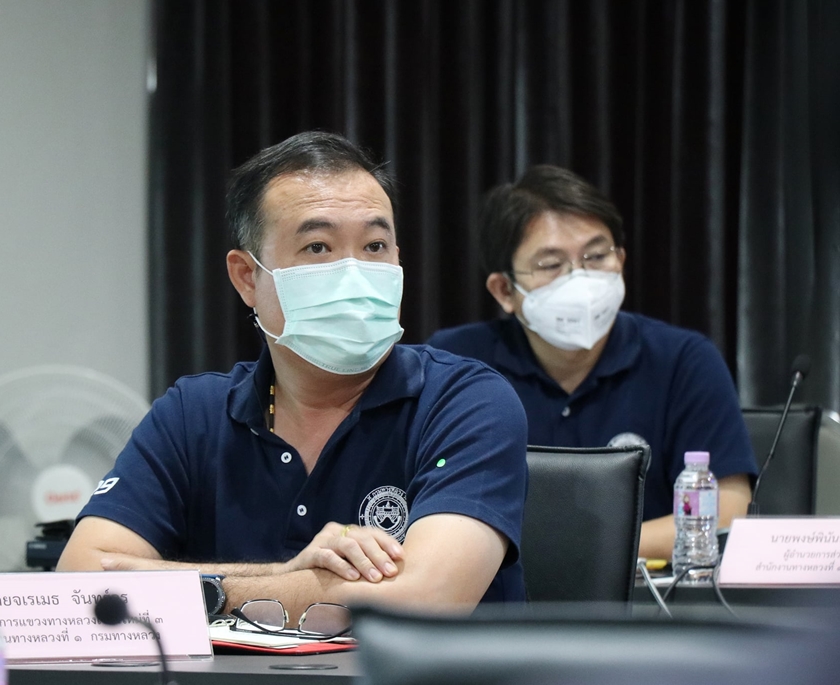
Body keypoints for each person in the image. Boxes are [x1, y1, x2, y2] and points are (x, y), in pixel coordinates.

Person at [57, 131, 528, 620]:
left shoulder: (467, 401)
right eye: (318, 247)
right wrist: (286, 575)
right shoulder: (192, 414)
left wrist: (198, 590)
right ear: (247, 277)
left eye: (375, 246)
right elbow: (80, 583)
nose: (355, 273)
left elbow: (427, 600)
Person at [427, 164, 757, 561]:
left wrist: (576, 552)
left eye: (596, 256)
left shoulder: (684, 360)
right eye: (551, 264)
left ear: (621, 261)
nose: (580, 279)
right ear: (504, 291)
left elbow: (727, 509)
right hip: (497, 594)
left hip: (644, 593)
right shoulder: (456, 364)